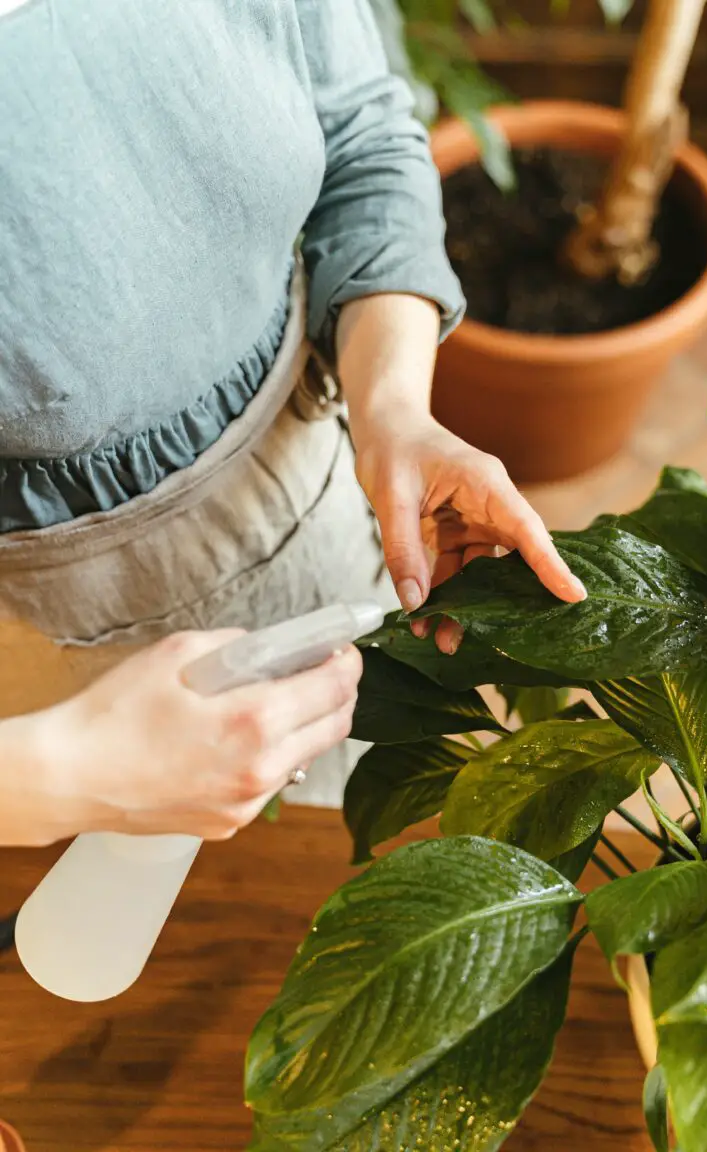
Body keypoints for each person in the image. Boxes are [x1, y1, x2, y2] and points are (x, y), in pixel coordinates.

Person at [0, 0, 585, 850]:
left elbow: (362, 135)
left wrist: (390, 412)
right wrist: (62, 778)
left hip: (327, 497)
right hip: (53, 665)